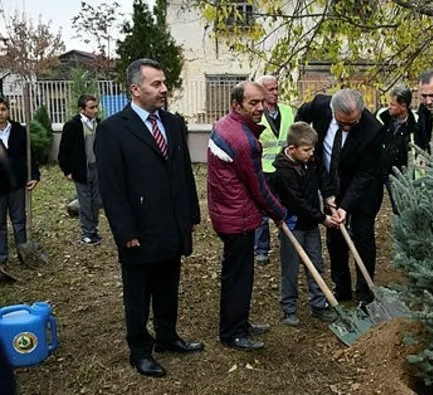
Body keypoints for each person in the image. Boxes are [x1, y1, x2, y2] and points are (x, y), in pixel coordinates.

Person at [95, 58, 203, 378]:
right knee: (138, 295)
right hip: (139, 230)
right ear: (135, 89)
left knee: (169, 286)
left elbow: (183, 172)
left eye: (164, 83)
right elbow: (111, 189)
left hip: (171, 225)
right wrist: (125, 230)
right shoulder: (112, 130)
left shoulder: (171, 123)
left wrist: (191, 213)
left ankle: (168, 337)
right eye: (156, 84)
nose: (164, 89)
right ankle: (140, 351)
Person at [207, 81, 287, 351]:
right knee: (239, 277)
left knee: (237, 273)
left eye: (262, 102)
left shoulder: (224, 125)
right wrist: (279, 213)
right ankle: (233, 333)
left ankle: (239, 321)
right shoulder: (244, 141)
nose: (260, 108)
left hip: (225, 212)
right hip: (237, 217)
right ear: (236, 105)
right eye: (253, 103)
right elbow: (259, 187)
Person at [295, 89, 384, 311]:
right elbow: (300, 118)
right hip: (331, 183)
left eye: (352, 123)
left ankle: (365, 294)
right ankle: (341, 287)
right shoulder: (320, 105)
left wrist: (345, 206)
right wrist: (302, 141)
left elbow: (365, 174)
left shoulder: (373, 130)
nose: (346, 127)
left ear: (361, 113)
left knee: (363, 237)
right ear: (332, 111)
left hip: (363, 190)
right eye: (342, 122)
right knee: (335, 237)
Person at [271, 122, 339, 326]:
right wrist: (323, 219)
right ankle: (289, 308)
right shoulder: (282, 173)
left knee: (316, 264)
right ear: (292, 149)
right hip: (292, 225)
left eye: (313, 149)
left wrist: (328, 196)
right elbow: (297, 203)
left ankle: (318, 304)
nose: (312, 153)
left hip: (310, 224)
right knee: (290, 268)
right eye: (307, 150)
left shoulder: (311, 159)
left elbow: (322, 177)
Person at [253, 75, 296, 264]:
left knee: (286, 207)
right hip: (263, 169)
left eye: (277, 88)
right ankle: (261, 249)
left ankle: (287, 243)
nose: (276, 93)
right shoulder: (256, 113)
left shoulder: (287, 111)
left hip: (284, 170)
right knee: (262, 212)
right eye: (271, 89)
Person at [0, 97, 40, 271]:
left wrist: (35, 175)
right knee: (0, 224)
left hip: (17, 184)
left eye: (2, 109)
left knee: (19, 220)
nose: (0, 114)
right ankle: (2, 259)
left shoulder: (19, 130)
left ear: (8, 110)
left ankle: (24, 253)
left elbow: (29, 155)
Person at [58, 94, 103, 245]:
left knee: (96, 201)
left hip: (97, 168)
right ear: (82, 109)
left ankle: (94, 229)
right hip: (81, 169)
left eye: (96, 107)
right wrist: (67, 171)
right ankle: (87, 232)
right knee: (85, 202)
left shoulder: (98, 124)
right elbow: (64, 150)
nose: (95, 110)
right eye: (91, 107)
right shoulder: (73, 126)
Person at [377, 85, 417, 214]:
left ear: (404, 106)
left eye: (393, 104)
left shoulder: (415, 123)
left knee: (399, 207)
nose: (389, 107)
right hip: (378, 170)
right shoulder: (381, 117)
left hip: (400, 173)